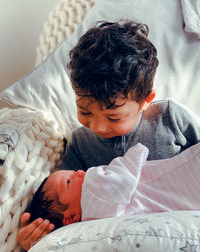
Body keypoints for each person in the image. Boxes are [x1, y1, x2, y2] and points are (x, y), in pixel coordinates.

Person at [17, 19, 200, 250]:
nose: (98, 127)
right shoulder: (80, 145)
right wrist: (36, 236)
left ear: (145, 101)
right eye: (84, 111)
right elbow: (64, 213)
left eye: (114, 118)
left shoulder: (170, 118)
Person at [29, 142, 200, 236]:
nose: (80, 172)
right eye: (68, 181)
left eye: (73, 172)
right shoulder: (95, 188)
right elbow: (123, 178)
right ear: (71, 217)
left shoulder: (92, 229)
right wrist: (135, 152)